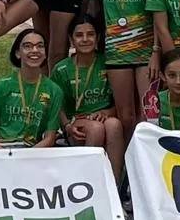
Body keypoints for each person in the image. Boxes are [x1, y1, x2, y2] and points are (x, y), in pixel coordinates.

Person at [83, 0, 159, 142]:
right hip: (115, 52)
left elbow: (157, 11)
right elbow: (92, 9)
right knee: (126, 117)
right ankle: (126, 168)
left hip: (146, 51)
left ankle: (149, 169)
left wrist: (157, 51)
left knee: (149, 115)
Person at [51, 15, 125, 183]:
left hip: (105, 117)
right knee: (95, 129)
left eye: (90, 34)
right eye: (79, 35)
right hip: (77, 122)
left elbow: (120, 98)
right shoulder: (61, 69)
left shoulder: (108, 63)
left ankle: (114, 187)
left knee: (114, 124)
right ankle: (88, 185)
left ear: (98, 38)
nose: (85, 39)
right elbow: (56, 105)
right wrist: (67, 126)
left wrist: (108, 111)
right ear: (71, 39)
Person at [0, 29, 62, 149]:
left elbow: (50, 138)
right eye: (28, 46)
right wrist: (5, 156)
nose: (34, 50)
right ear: (18, 53)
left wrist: (26, 157)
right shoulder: (1, 86)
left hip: (32, 152)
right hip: (0, 149)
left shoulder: (54, 90)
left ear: (45, 53)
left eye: (40, 46)